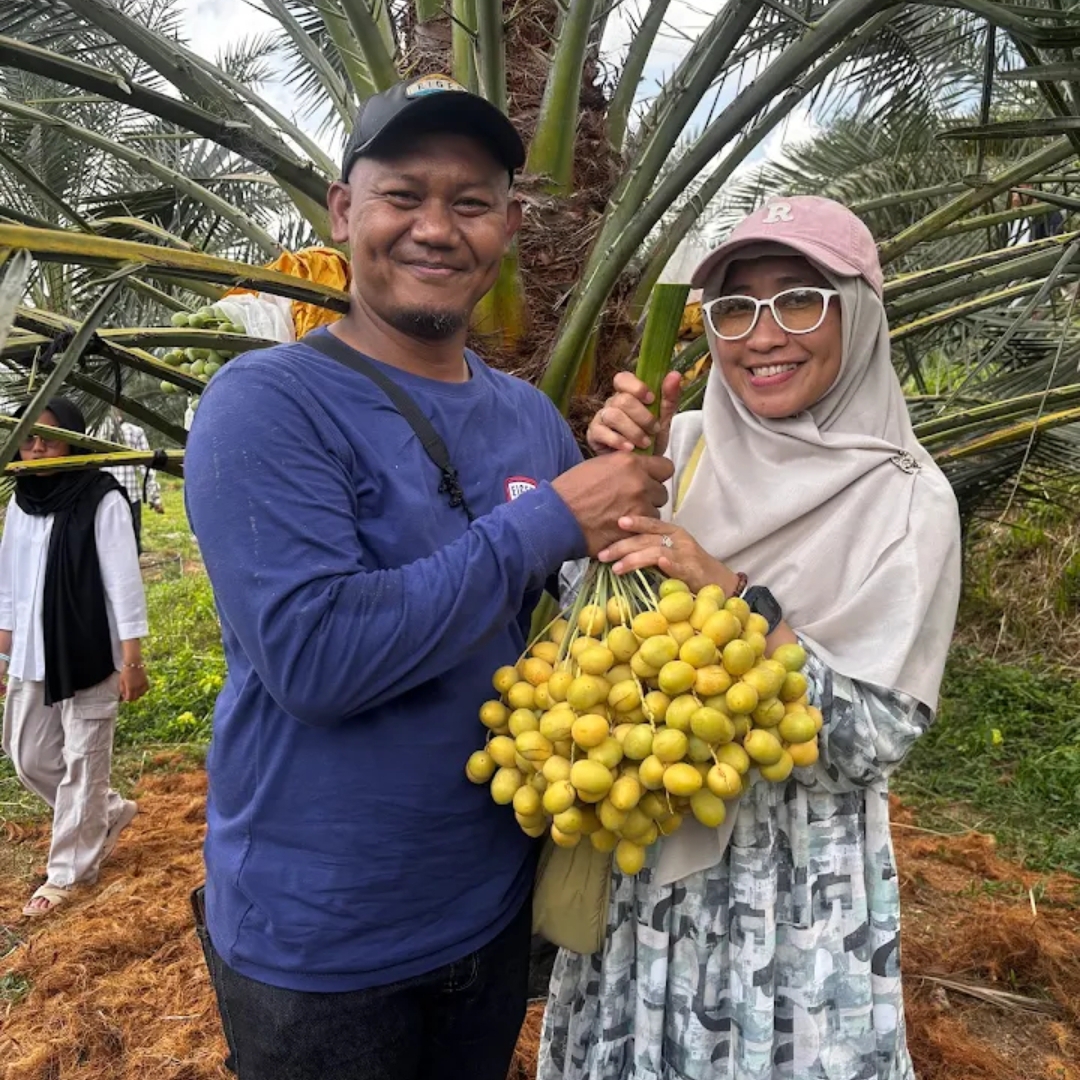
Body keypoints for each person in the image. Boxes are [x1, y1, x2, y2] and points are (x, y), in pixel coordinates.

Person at [182, 75, 673, 1080]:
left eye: (473, 202)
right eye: (404, 195)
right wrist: (548, 519)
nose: (436, 229)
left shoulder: (529, 418)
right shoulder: (266, 406)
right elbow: (316, 660)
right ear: (344, 209)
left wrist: (627, 490)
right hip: (321, 953)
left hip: (486, 915)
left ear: (505, 229)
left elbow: (568, 627)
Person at [539, 195, 962, 1080]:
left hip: (790, 895)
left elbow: (870, 740)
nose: (763, 335)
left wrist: (735, 596)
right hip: (640, 860)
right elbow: (587, 632)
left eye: (800, 298)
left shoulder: (906, 500)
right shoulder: (679, 448)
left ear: (859, 315)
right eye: (736, 307)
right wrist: (614, 487)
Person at [0, 398, 148, 917]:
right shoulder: (22, 500)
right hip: (33, 652)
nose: (37, 447)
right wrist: (3, 648)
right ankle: (106, 812)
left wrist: (132, 658)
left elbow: (123, 583)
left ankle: (65, 874)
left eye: (50, 437)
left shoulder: (99, 497)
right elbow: (9, 580)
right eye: (29, 437)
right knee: (28, 756)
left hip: (90, 652)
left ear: (76, 441)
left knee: (84, 763)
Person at [96, 407, 164, 554]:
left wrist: (154, 497)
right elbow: (147, 467)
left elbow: (146, 466)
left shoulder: (94, 432)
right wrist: (155, 497)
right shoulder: (133, 431)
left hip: (106, 497)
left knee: (110, 543)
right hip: (124, 497)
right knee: (130, 542)